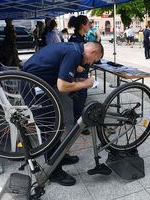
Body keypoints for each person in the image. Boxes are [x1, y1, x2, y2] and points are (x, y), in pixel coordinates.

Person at [23, 42, 104, 186]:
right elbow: (62, 86)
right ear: (92, 51)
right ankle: (53, 172)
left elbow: (63, 74)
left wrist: (77, 80)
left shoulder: (73, 49)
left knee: (58, 123)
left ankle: (59, 156)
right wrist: (86, 84)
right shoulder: (74, 53)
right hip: (32, 86)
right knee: (50, 128)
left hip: (39, 84)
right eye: (94, 59)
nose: (91, 63)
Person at [68, 15, 91, 135]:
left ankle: (80, 123)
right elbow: (69, 55)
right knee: (79, 99)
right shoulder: (75, 39)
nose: (90, 25)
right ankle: (78, 126)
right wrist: (76, 65)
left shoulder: (81, 37)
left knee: (81, 98)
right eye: (88, 23)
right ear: (83, 25)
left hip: (83, 73)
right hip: (78, 74)